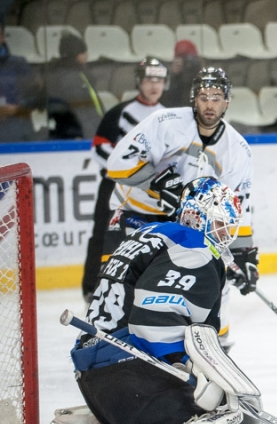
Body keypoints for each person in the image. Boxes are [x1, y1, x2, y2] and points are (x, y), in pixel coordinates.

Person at [37, 177, 263, 424]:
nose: (224, 235)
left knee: (212, 417)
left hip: (97, 377)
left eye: (228, 227)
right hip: (135, 373)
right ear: (196, 215)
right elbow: (154, 327)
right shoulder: (194, 247)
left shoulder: (153, 233)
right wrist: (190, 369)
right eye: (219, 224)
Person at [103, 67, 259, 350]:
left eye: (216, 97)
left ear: (227, 101)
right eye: (203, 97)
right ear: (193, 99)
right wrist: (156, 181)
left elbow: (238, 206)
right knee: (119, 289)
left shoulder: (238, 149)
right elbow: (116, 164)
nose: (209, 104)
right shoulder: (164, 122)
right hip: (135, 217)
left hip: (180, 227)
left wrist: (243, 253)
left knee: (214, 276)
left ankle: (214, 345)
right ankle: (108, 347)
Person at [80, 57, 169, 302]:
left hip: (152, 190)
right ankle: (93, 287)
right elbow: (99, 148)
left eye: (159, 79)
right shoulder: (119, 113)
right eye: (149, 79)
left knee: (155, 235)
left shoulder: (169, 116)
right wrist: (129, 170)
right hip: (115, 187)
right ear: (139, 81)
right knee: (103, 233)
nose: (154, 85)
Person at [44, 32, 102, 139]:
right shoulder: (71, 78)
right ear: (77, 55)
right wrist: (93, 135)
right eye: (84, 52)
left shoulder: (78, 74)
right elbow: (81, 113)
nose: (87, 55)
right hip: (82, 135)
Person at [0, 22, 40, 142]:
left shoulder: (18, 63)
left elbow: (37, 95)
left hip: (18, 130)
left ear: (2, 38)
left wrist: (18, 108)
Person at [159, 40, 202, 108]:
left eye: (188, 59)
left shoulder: (200, 74)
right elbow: (168, 100)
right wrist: (174, 74)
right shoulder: (175, 77)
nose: (186, 63)